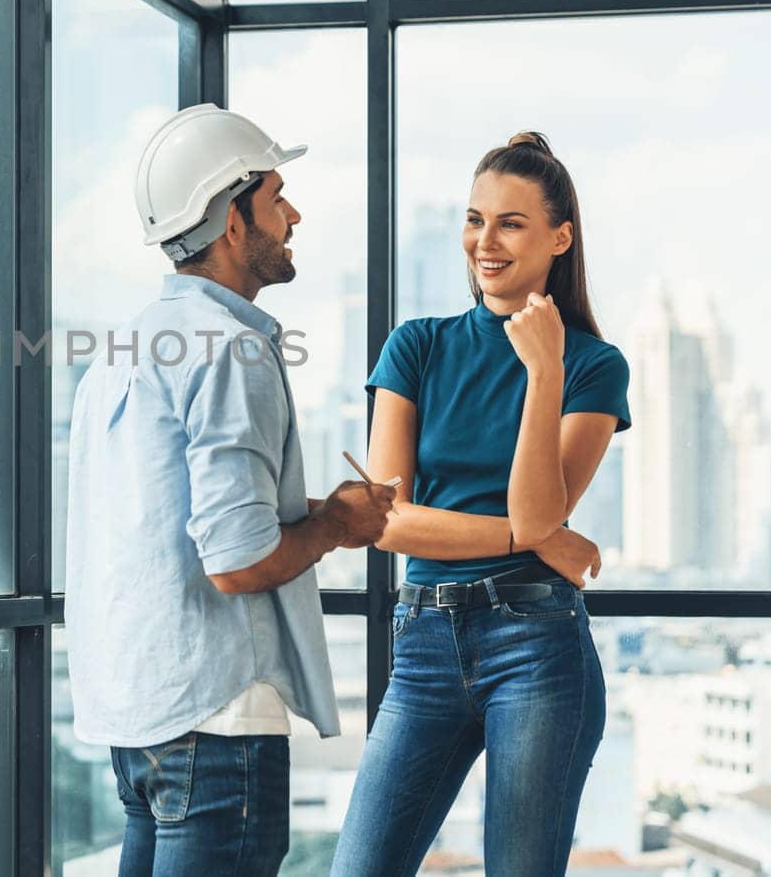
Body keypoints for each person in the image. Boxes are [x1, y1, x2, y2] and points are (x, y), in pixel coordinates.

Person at [65, 104, 396, 876]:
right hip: (217, 721)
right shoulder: (231, 349)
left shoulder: (123, 349)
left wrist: (319, 512)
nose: (295, 214)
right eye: (278, 197)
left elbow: (173, 523)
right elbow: (238, 563)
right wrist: (340, 526)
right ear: (231, 220)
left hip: (141, 718)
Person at [330, 132, 631, 877]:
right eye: (475, 219)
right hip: (423, 640)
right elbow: (388, 521)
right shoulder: (416, 346)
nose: (484, 241)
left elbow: (539, 514)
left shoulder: (592, 366)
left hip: (536, 645)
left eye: (510, 222)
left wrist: (543, 370)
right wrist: (538, 538)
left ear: (560, 237)